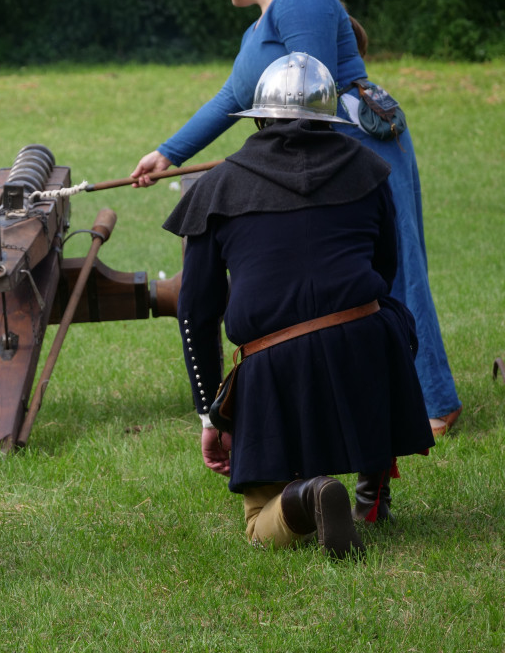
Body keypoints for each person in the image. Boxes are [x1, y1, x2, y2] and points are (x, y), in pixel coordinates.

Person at [131, 0, 461, 436]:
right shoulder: (256, 31)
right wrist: (169, 153)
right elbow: (230, 99)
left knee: (396, 269)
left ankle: (434, 401)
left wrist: (285, 155)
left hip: (354, 148)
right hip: (315, 151)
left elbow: (312, 88)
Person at [164, 53, 434, 558]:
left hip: (272, 364)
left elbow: (195, 311)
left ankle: (307, 495)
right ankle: (372, 481)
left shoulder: (217, 185)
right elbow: (385, 270)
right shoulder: (369, 169)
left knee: (256, 522)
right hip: (367, 343)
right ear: (328, 118)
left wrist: (210, 415)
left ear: (261, 119)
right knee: (386, 315)